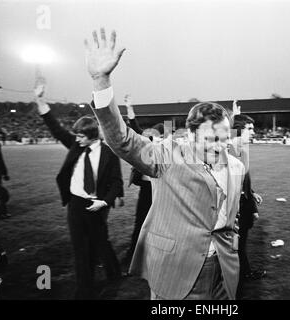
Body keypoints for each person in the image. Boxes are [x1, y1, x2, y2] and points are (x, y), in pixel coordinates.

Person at [85, 28, 245, 300]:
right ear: (191, 134)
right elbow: (123, 141)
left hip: (225, 268)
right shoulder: (168, 156)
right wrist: (101, 81)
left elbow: (229, 212)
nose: (220, 145)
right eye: (211, 138)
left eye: (224, 138)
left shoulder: (237, 167)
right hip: (177, 268)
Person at [33, 84, 124, 299]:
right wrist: (40, 101)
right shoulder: (75, 145)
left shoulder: (109, 153)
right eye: (76, 136)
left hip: (96, 206)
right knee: (80, 249)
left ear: (92, 136)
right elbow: (55, 127)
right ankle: (84, 289)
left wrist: (106, 201)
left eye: (81, 136)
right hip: (75, 205)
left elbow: (117, 183)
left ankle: (114, 274)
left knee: (100, 244)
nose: (77, 139)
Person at [121, 98, 163, 270]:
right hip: (147, 189)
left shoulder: (172, 150)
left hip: (162, 191)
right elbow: (135, 129)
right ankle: (133, 255)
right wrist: (130, 109)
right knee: (140, 223)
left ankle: (156, 257)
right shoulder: (148, 144)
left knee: (160, 224)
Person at [230, 101, 266, 287]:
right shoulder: (230, 150)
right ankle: (235, 279)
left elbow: (242, 180)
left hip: (242, 205)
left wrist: (251, 192)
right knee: (236, 245)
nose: (253, 132)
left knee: (239, 245)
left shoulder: (239, 149)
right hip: (235, 209)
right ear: (239, 129)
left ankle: (243, 274)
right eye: (249, 128)